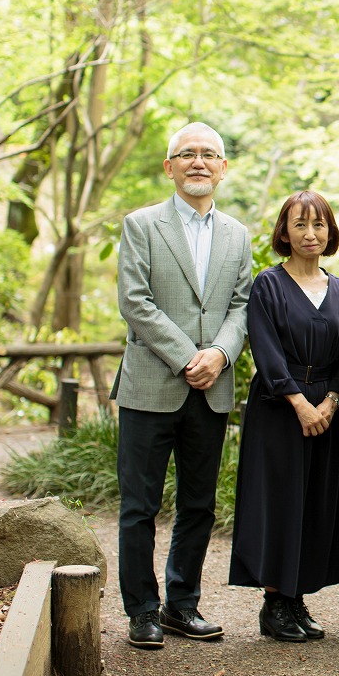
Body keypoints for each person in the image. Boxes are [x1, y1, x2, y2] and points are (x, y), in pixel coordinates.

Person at [113, 121, 253, 649]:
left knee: (199, 506)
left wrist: (218, 354)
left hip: (211, 388)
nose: (198, 162)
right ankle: (142, 611)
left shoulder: (238, 234)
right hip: (151, 386)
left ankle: (182, 604)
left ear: (223, 167)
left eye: (209, 154)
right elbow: (135, 301)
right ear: (169, 166)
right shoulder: (141, 225)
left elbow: (241, 305)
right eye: (186, 154)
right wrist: (187, 357)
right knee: (139, 506)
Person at [229, 190, 339, 642]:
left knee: (315, 503)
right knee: (279, 502)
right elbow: (265, 349)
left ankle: (297, 597)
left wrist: (331, 402)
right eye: (299, 224)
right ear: (284, 231)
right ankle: (275, 602)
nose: (309, 233)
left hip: (327, 408)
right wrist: (299, 403)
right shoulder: (268, 284)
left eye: (318, 224)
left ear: (330, 231)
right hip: (279, 409)